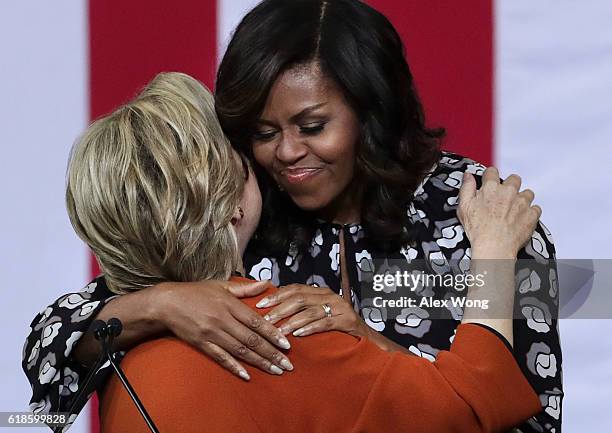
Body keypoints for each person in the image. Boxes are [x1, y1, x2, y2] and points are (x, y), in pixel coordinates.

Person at [23, 1, 562, 432]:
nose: (285, 153)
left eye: (311, 126)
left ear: (370, 111)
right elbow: (52, 348)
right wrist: (161, 302)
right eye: (262, 132)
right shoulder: (234, 218)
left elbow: (525, 417)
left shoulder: (484, 219)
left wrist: (364, 341)